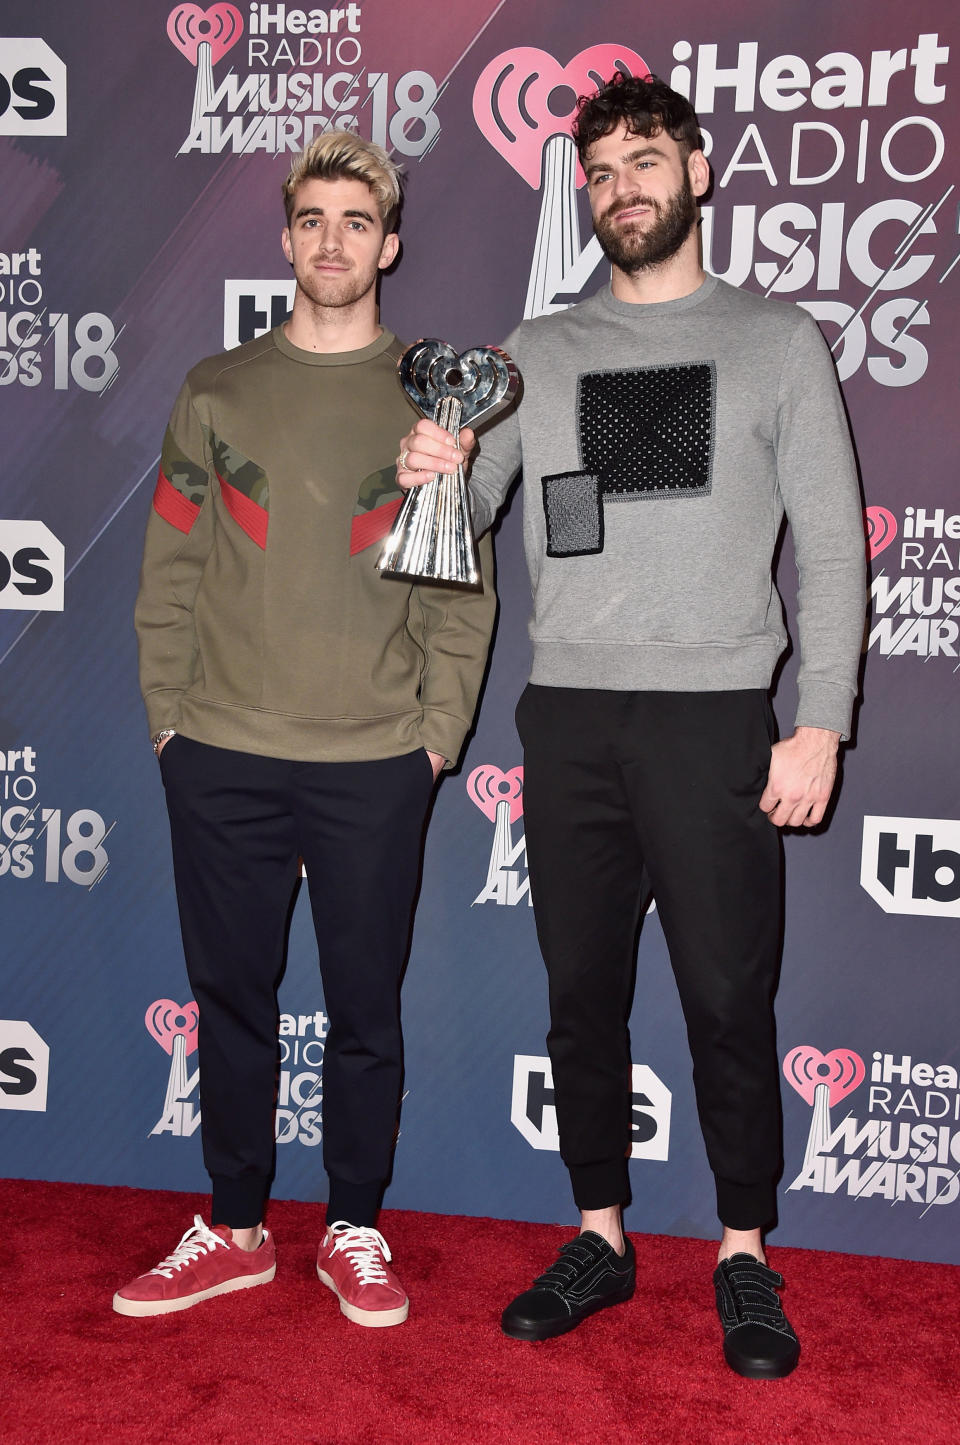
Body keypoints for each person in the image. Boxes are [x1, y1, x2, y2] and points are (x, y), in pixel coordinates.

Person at [397, 74, 865, 1378]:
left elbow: (830, 549)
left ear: (698, 172)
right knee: (581, 995)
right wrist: (434, 466)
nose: (623, 189)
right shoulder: (537, 352)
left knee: (727, 996)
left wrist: (818, 722)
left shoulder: (776, 341)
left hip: (719, 716)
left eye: (645, 161)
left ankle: (744, 1252)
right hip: (573, 718)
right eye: (599, 172)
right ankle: (599, 1233)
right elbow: (469, 515)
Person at [118, 131, 495, 1324]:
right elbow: (170, 565)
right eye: (313, 220)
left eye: (356, 222)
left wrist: (437, 738)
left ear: (390, 243)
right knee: (229, 993)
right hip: (219, 747)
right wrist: (168, 721)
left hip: (375, 759)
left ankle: (353, 1225)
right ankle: (233, 1223)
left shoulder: (431, 404)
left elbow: (458, 591)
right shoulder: (215, 391)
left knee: (364, 1008)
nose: (333, 241)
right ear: (285, 240)